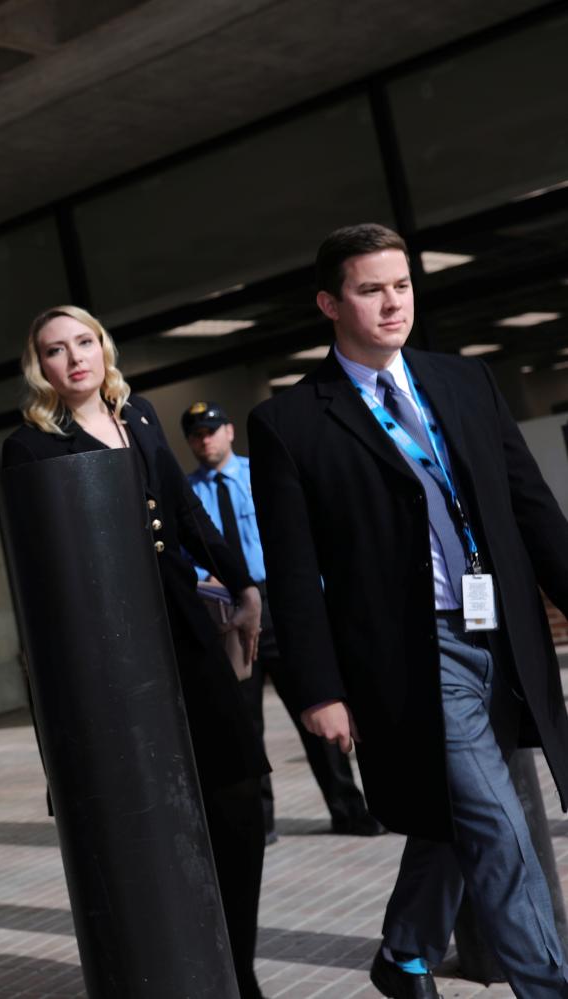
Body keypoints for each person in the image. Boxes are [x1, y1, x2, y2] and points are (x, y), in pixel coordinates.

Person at [249, 223, 568, 999]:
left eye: (400, 285)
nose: (392, 303)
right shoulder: (289, 422)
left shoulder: (464, 380)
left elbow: (530, 506)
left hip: (502, 635)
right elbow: (294, 572)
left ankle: (404, 950)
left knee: (459, 815)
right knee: (497, 824)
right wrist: (318, 688)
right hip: (413, 650)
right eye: (369, 288)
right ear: (329, 302)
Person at [1, 305, 270, 999]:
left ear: (102, 346)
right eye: (54, 350)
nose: (73, 358)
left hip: (181, 626)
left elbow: (185, 514)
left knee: (237, 793)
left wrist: (242, 584)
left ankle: (235, 966)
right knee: (147, 805)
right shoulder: (28, 445)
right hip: (111, 651)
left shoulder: (141, 415)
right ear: (39, 367)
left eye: (84, 342)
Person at [182, 400, 384, 843]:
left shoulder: (263, 473)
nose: (205, 439)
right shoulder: (188, 493)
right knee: (245, 724)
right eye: (196, 434)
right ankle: (259, 821)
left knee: (315, 705)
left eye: (212, 430)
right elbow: (184, 557)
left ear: (230, 431)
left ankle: (348, 809)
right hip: (229, 611)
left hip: (282, 605)